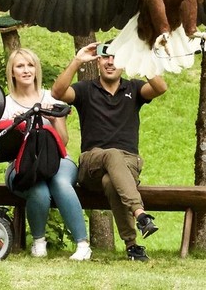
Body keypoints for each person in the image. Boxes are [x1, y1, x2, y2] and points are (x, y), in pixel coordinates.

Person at [51, 42, 167, 261]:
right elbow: (57, 92)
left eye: (117, 57)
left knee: (111, 182)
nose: (111, 62)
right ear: (98, 61)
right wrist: (77, 61)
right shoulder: (85, 89)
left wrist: (141, 61)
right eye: (106, 57)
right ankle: (140, 214)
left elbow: (161, 88)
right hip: (91, 163)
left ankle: (132, 246)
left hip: (126, 165)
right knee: (112, 153)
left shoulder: (134, 88)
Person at [1, 48, 91, 261]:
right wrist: (13, 126)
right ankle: (39, 242)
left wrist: (54, 117)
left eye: (30, 65)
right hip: (23, 165)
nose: (26, 70)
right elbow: (5, 150)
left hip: (57, 160)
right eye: (20, 66)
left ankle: (82, 245)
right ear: (12, 72)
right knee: (38, 190)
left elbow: (64, 141)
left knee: (60, 183)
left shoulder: (51, 97)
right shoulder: (5, 104)